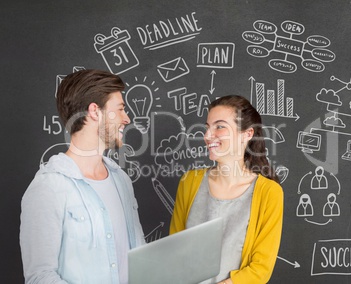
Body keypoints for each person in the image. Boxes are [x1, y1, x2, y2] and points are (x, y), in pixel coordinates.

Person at [20, 69, 145, 284]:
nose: (127, 119)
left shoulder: (121, 180)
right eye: (121, 109)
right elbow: (39, 277)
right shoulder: (48, 187)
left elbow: (140, 257)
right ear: (95, 112)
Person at [170, 95, 284, 284]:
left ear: (247, 134)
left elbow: (261, 268)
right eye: (207, 127)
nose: (207, 136)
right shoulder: (189, 181)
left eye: (219, 126)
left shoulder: (269, 193)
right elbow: (174, 249)